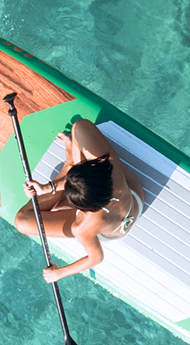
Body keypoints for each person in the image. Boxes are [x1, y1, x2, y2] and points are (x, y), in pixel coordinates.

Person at [15, 118, 147, 283]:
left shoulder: (83, 227)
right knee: (80, 127)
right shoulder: (109, 170)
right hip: (134, 194)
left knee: (22, 221)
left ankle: (70, 165)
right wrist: (46, 188)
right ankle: (71, 167)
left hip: (111, 228)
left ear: (81, 209)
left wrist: (59, 273)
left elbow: (96, 258)